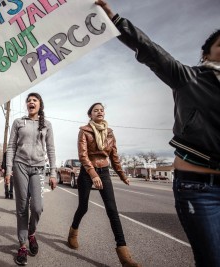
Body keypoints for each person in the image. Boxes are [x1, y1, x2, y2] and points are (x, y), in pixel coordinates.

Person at [95, 1, 220, 266]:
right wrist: (116, 21)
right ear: (206, 54)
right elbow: (151, 51)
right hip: (199, 188)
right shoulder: (189, 78)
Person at [67, 103, 140, 267]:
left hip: (105, 171)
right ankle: (73, 232)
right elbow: (83, 155)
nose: (99, 112)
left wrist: (122, 175)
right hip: (87, 172)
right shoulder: (84, 131)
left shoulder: (110, 133)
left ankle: (124, 255)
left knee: (112, 210)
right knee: (83, 207)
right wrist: (93, 174)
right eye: (95, 110)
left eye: (101, 110)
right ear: (90, 115)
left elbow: (114, 157)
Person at [5, 92, 57, 266]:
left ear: (40, 105)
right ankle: (22, 245)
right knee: (21, 207)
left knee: (37, 207)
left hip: (38, 167)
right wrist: (8, 169)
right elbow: (11, 146)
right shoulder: (18, 122)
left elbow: (51, 149)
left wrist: (53, 173)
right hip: (20, 165)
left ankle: (31, 233)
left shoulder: (46, 125)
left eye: (34, 100)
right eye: (28, 101)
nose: (31, 102)